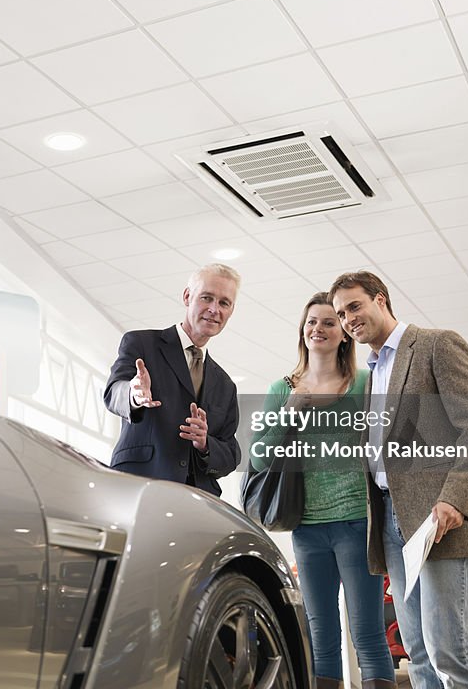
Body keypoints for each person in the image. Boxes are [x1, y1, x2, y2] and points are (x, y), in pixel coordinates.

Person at [329, 271, 468, 689]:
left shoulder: (435, 345)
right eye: (340, 313)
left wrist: (454, 500)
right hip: (391, 519)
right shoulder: (372, 372)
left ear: (381, 300)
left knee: (449, 648)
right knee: (418, 652)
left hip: (439, 520)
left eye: (355, 306)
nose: (348, 319)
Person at [250, 292, 395, 689]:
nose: (319, 329)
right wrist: (290, 411)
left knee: (367, 633)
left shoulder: (364, 384)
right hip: (307, 529)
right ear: (303, 329)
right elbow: (260, 458)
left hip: (357, 524)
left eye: (330, 322)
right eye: (312, 322)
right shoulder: (283, 388)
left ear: (344, 333)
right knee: (320, 636)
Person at [103, 264, 242, 496]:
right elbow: (113, 393)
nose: (214, 309)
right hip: (140, 486)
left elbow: (230, 453)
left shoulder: (225, 385)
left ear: (230, 311)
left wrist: (205, 443)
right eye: (206, 298)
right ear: (188, 297)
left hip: (196, 500)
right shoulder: (141, 344)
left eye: (224, 303)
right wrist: (134, 393)